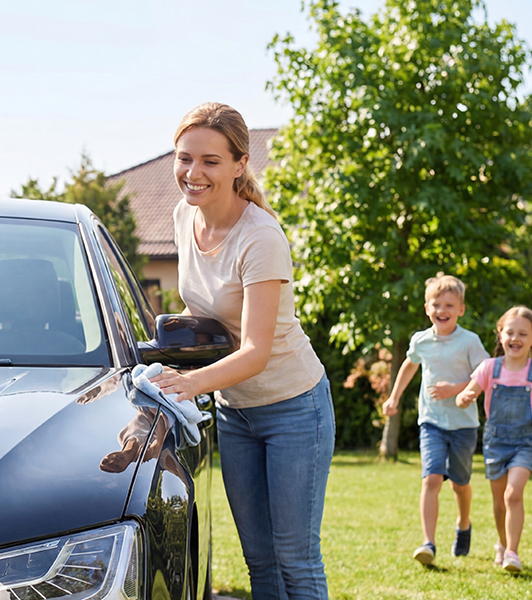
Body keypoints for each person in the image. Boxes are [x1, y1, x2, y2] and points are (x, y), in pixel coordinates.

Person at [149, 102, 334, 600]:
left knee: (294, 558)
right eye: (184, 157)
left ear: (239, 164)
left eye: (210, 160)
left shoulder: (260, 237)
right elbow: (202, 317)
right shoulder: (183, 217)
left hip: (294, 406)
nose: (194, 172)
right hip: (236, 411)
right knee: (259, 560)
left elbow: (254, 351)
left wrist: (188, 385)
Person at [383, 275, 489, 566]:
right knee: (431, 479)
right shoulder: (421, 340)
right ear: (427, 308)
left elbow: (484, 374)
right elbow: (409, 365)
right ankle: (428, 543)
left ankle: (463, 524)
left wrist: (454, 390)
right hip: (430, 421)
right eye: (436, 304)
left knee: (459, 483)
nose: (442, 310)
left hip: (464, 425)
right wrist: (394, 397)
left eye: (449, 305)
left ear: (461, 310)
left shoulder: (470, 341)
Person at [455, 306, 532, 573]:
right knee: (498, 503)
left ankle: (513, 553)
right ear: (500, 334)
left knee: (513, 494)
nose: (515, 338)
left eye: (523, 334)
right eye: (510, 332)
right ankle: (502, 545)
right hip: (496, 442)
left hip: (526, 442)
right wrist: (464, 398)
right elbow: (464, 395)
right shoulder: (488, 368)